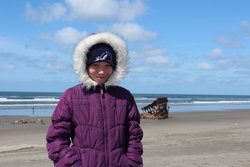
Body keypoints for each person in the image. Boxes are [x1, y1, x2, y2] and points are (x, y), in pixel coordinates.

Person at [46, 32, 143, 167]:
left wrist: (131, 163)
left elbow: (134, 136)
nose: (101, 71)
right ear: (85, 65)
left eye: (107, 65)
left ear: (114, 67)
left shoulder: (124, 96)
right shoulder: (71, 95)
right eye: (95, 65)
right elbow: (56, 138)